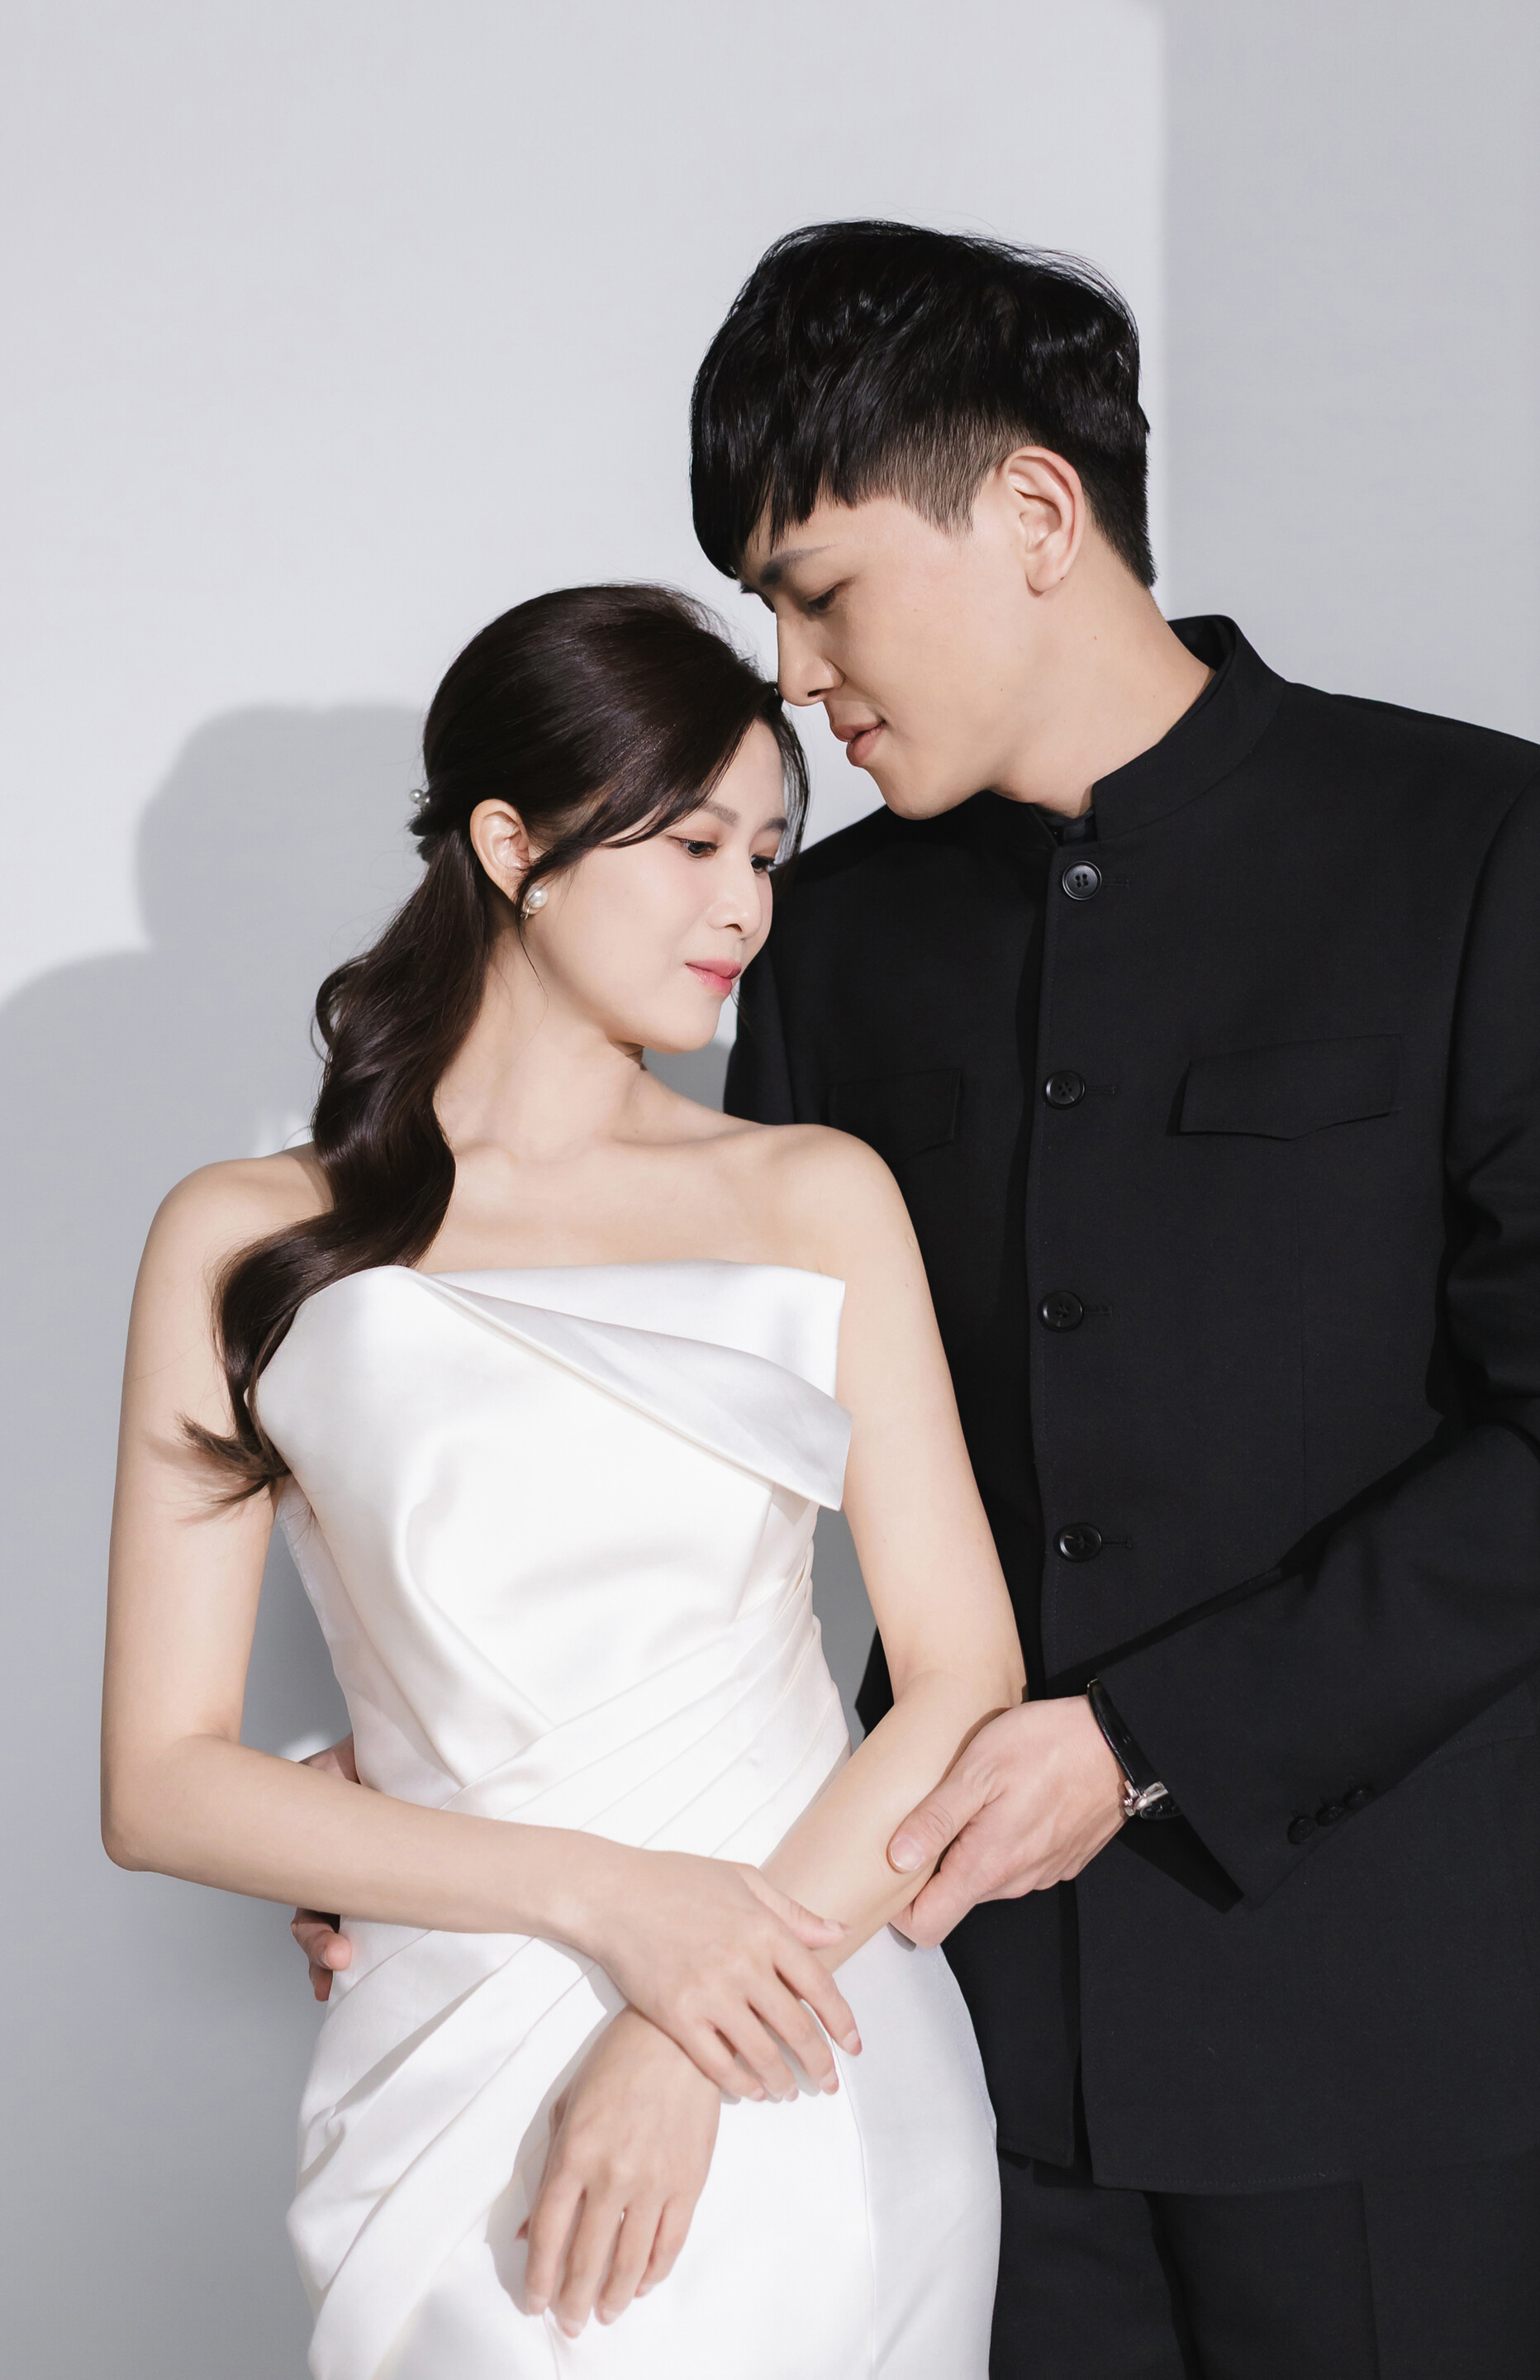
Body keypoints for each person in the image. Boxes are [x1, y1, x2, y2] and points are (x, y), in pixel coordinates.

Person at [694, 222, 1540, 2376]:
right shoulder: (824, 943)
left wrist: (1153, 1746)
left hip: (1394, 2052)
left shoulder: (1476, 848)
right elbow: (724, 1464)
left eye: (820, 589)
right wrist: (438, 1791)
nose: (792, 671)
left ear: (1036, 512)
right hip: (956, 2040)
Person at [101, 582, 1017, 2377]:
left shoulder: (813, 1195)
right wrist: (613, 1900)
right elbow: (163, 1783)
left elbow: (962, 1674)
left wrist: (685, 2029)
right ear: (512, 844)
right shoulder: (245, 1237)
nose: (746, 905)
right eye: (693, 845)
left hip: (798, 2042)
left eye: (769, 852)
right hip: (449, 2048)